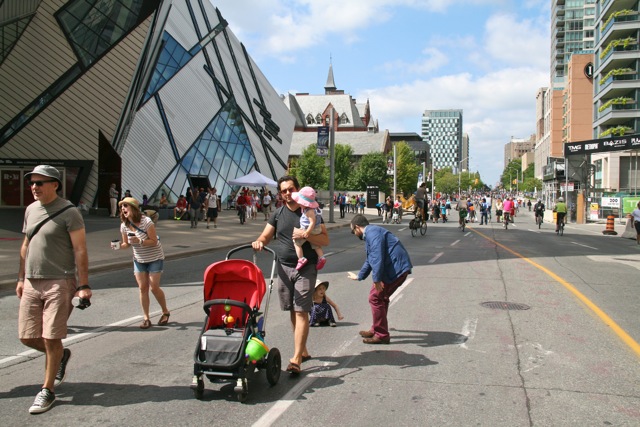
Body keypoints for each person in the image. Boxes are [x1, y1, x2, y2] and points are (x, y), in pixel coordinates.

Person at [17, 165, 92, 414]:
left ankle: (47, 390)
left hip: (60, 281)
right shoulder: (30, 210)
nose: (34, 187)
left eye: (40, 183)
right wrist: (20, 278)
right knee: (27, 336)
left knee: (51, 337)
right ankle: (60, 355)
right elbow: (26, 245)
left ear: (55, 185)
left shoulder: (70, 213)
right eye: (32, 183)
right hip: (31, 281)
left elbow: (80, 249)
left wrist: (83, 286)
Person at [251, 176, 329, 375]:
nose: (287, 193)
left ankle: (295, 360)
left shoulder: (310, 211)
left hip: (306, 267)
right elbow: (266, 236)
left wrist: (305, 235)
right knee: (293, 311)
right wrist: (259, 242)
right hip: (284, 268)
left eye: (290, 189)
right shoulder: (278, 214)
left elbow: (325, 240)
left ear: (297, 189)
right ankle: (301, 349)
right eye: (283, 190)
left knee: (302, 311)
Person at [348, 214, 412, 344]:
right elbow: (371, 258)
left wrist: (376, 280)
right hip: (396, 269)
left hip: (395, 270)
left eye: (353, 231)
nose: (354, 234)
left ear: (357, 227)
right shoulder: (372, 232)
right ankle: (376, 329)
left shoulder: (372, 233)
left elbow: (377, 257)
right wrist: (360, 275)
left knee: (375, 298)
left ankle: (382, 334)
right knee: (381, 298)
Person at [114, 197, 170, 329]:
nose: (123, 209)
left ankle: (165, 312)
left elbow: (154, 241)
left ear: (133, 208)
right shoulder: (124, 225)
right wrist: (118, 246)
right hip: (139, 259)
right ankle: (146, 318)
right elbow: (126, 244)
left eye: (126, 206)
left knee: (154, 287)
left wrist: (140, 241)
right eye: (122, 207)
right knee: (142, 288)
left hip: (155, 257)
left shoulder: (147, 222)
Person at [291, 186, 327, 270]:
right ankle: (321, 257)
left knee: (296, 243)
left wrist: (307, 232)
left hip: (310, 229)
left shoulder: (309, 211)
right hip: (317, 229)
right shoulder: (313, 209)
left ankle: (301, 259)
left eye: (300, 202)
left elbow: (312, 222)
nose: (299, 204)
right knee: (316, 245)